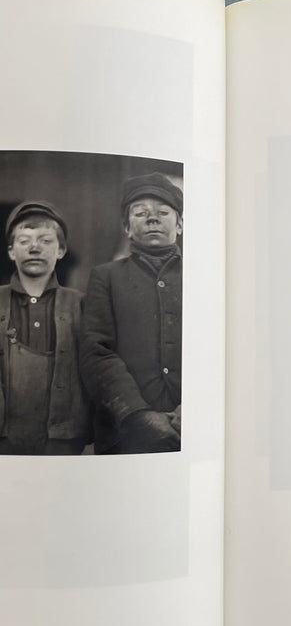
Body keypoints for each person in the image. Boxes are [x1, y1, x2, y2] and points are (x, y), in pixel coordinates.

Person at [80, 173, 183, 453]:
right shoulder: (105, 277)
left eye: (163, 212)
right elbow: (96, 352)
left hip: (191, 430)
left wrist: (197, 408)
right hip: (124, 435)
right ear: (127, 227)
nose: (152, 218)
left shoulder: (204, 276)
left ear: (180, 224)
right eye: (140, 213)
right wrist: (137, 415)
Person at [0, 202, 92, 454]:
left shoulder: (81, 304)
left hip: (63, 440)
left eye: (45, 240)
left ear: (61, 250)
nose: (34, 247)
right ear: (11, 251)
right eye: (24, 240)